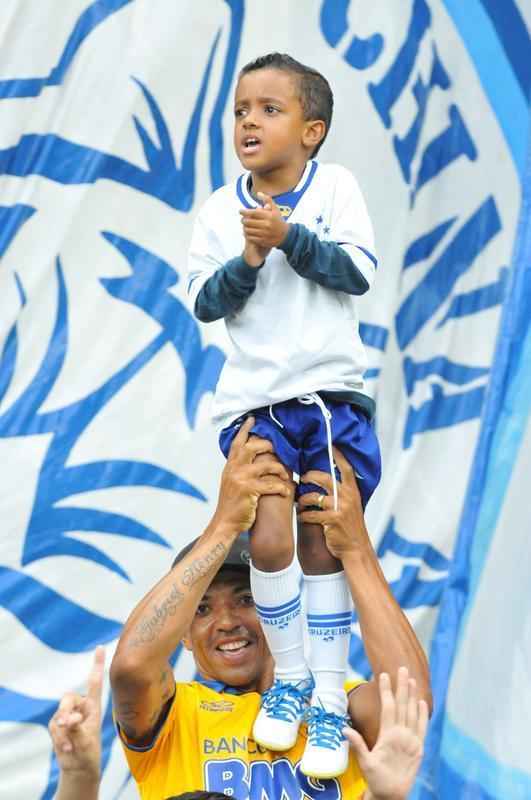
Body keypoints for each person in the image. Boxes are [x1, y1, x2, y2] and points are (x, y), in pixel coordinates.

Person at [187, 51, 380, 777]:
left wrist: (291, 239)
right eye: (240, 109)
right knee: (267, 540)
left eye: (269, 109)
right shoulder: (215, 209)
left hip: (328, 398)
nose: (248, 121)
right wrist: (246, 256)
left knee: (321, 541)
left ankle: (329, 693)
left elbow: (356, 272)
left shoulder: (336, 187)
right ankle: (293, 675)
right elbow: (206, 300)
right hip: (254, 403)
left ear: (311, 131)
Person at [110, 418, 431, 799]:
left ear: (280, 604)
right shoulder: (177, 717)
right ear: (182, 635)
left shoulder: (336, 705)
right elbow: (131, 668)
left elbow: (411, 708)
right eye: (202, 610)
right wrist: (225, 524)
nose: (227, 622)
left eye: (246, 599)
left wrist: (356, 551)